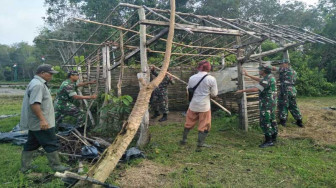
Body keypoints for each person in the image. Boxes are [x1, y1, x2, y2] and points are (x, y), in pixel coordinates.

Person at [19, 64, 69, 172]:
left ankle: (25, 167)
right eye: (50, 74)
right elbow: (34, 104)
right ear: (42, 73)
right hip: (41, 123)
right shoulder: (38, 85)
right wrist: (42, 120)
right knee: (50, 142)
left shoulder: (36, 83)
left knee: (32, 144)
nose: (51, 76)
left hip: (36, 122)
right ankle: (56, 166)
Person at [180, 60, 218, 151]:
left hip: (193, 104)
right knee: (204, 124)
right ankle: (200, 144)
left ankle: (184, 140)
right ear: (208, 68)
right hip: (204, 106)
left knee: (189, 122)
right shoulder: (211, 79)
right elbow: (214, 94)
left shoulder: (192, 78)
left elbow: (188, 90)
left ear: (199, 67)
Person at [236, 65, 278, 148]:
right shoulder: (270, 77)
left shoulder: (267, 80)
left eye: (260, 70)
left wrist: (242, 90)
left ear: (264, 71)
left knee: (265, 121)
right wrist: (248, 75)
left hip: (266, 103)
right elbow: (260, 80)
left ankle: (268, 140)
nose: (259, 71)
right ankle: (273, 137)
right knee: (272, 119)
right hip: (272, 103)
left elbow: (255, 89)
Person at [272, 59, 303, 127]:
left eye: (282, 64)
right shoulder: (294, 71)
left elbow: (274, 68)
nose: (281, 65)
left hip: (286, 90)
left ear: (286, 64)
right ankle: (299, 121)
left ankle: (283, 122)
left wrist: (267, 66)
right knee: (293, 105)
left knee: (283, 105)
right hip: (292, 90)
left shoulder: (285, 69)